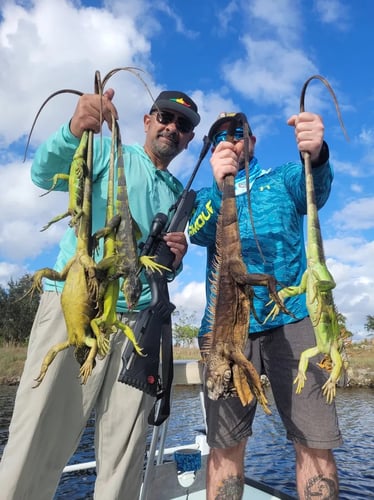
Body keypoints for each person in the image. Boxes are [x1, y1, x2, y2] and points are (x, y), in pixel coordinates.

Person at [0, 89, 200, 500]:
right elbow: (44, 172)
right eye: (165, 117)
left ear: (189, 140)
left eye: (183, 126)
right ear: (147, 121)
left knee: (126, 454)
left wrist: (175, 258)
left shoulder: (181, 193)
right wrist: (76, 129)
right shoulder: (107, 151)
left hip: (140, 327)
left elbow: (165, 272)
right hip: (78, 301)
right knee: (39, 432)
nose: (173, 128)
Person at [189, 111, 342, 500]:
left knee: (314, 439)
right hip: (227, 330)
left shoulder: (283, 178)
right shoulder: (206, 197)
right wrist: (219, 182)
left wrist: (317, 151)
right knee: (224, 443)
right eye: (221, 135)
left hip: (294, 320)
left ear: (253, 140)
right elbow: (197, 232)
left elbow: (317, 188)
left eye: (238, 133)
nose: (232, 140)